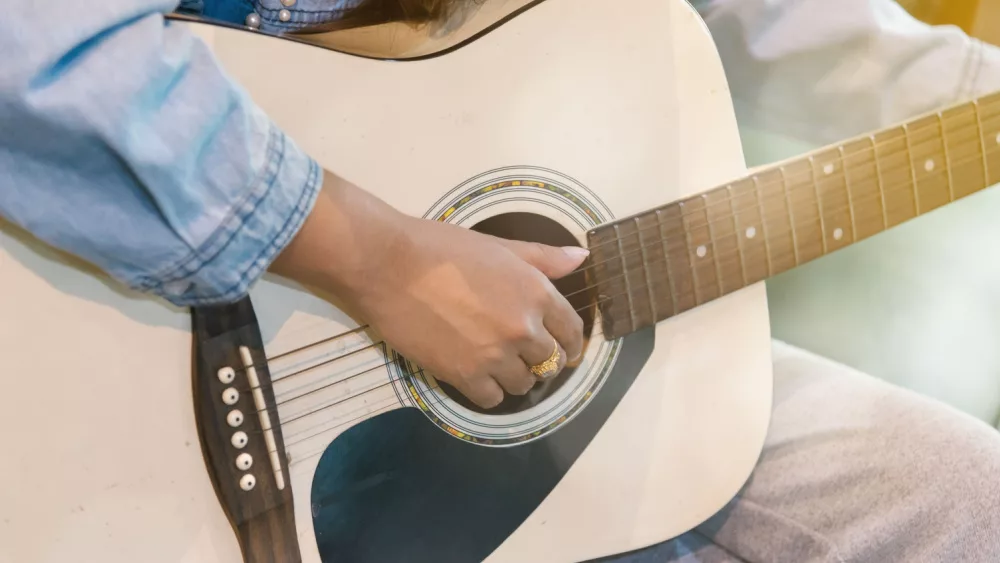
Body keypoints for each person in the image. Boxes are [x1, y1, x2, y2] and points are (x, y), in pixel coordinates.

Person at [1, 0, 999, 561]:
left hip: (590, 351)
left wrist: (975, 103)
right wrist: (381, 260)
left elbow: (772, 21)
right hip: (162, 324)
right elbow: (31, 47)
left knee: (963, 498)